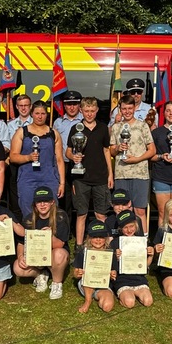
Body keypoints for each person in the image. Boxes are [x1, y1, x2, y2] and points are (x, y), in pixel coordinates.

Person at [66, 97, 113, 252]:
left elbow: (106, 151)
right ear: (81, 110)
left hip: (100, 177)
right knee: (81, 213)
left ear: (97, 110)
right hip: (81, 179)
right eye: (86, 111)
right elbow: (68, 150)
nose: (89, 114)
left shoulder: (103, 128)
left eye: (92, 111)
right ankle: (79, 247)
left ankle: (105, 246)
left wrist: (110, 175)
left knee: (101, 214)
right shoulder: (76, 128)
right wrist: (73, 157)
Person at [13, 186, 71, 300]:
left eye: (46, 201)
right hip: (36, 255)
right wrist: (20, 256)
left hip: (54, 253)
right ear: (35, 204)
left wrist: (49, 237)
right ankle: (40, 275)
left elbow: (59, 244)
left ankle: (56, 283)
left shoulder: (60, 216)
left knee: (59, 254)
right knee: (17, 268)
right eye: (39, 202)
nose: (42, 205)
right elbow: (21, 243)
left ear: (52, 202)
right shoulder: (29, 219)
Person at [10, 101, 65, 217]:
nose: (40, 116)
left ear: (47, 115)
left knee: (50, 213)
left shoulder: (54, 134)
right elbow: (13, 157)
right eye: (37, 113)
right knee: (28, 212)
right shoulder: (21, 132)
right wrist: (28, 157)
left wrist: (62, 183)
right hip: (27, 179)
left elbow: (59, 160)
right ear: (32, 114)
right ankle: (31, 235)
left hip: (49, 179)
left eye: (43, 113)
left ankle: (49, 235)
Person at [110, 95, 156, 235]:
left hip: (140, 174)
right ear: (120, 109)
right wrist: (118, 148)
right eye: (124, 108)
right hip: (121, 174)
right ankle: (123, 239)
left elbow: (152, 150)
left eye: (130, 108)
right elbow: (111, 151)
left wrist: (137, 159)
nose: (127, 111)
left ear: (135, 108)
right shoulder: (116, 127)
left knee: (139, 210)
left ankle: (143, 239)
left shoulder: (143, 126)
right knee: (123, 210)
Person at [71, 220, 118, 313]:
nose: (98, 240)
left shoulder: (110, 253)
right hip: (86, 284)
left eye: (101, 237)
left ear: (106, 238)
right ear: (89, 238)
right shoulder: (84, 252)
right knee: (89, 279)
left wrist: (113, 274)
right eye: (95, 237)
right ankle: (88, 301)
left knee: (107, 307)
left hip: (103, 285)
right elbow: (75, 273)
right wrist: (78, 273)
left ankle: (99, 296)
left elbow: (114, 271)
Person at [111, 210, 154, 308]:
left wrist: (151, 255)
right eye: (125, 227)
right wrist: (115, 257)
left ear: (136, 225)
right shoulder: (115, 243)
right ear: (120, 229)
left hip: (139, 279)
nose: (129, 230)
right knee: (129, 302)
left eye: (131, 226)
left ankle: (133, 292)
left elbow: (145, 265)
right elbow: (111, 267)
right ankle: (123, 295)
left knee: (148, 301)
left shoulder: (141, 242)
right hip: (122, 279)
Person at [54, 90, 83, 218]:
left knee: (80, 195)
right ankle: (66, 228)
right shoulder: (57, 122)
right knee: (64, 196)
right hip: (63, 163)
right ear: (64, 106)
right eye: (69, 104)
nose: (71, 107)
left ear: (79, 105)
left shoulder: (84, 121)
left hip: (81, 163)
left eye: (75, 104)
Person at [6, 94, 33, 219]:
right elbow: (6, 143)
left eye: (26, 105)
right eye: (21, 106)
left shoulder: (36, 123)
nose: (23, 108)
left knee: (29, 191)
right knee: (14, 193)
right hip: (14, 162)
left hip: (31, 161)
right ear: (16, 107)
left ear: (30, 106)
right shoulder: (10, 124)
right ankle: (17, 221)